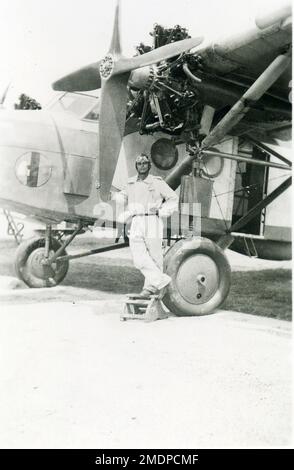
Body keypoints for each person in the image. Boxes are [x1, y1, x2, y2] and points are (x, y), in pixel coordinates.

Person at [115, 153, 179, 298]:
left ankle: (149, 289)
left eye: (144, 163)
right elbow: (121, 199)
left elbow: (173, 198)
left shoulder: (157, 182)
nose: (142, 166)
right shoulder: (130, 183)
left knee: (155, 256)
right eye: (139, 163)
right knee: (138, 257)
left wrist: (162, 211)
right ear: (136, 166)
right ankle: (162, 281)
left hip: (152, 220)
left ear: (149, 166)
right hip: (136, 221)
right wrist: (107, 192)